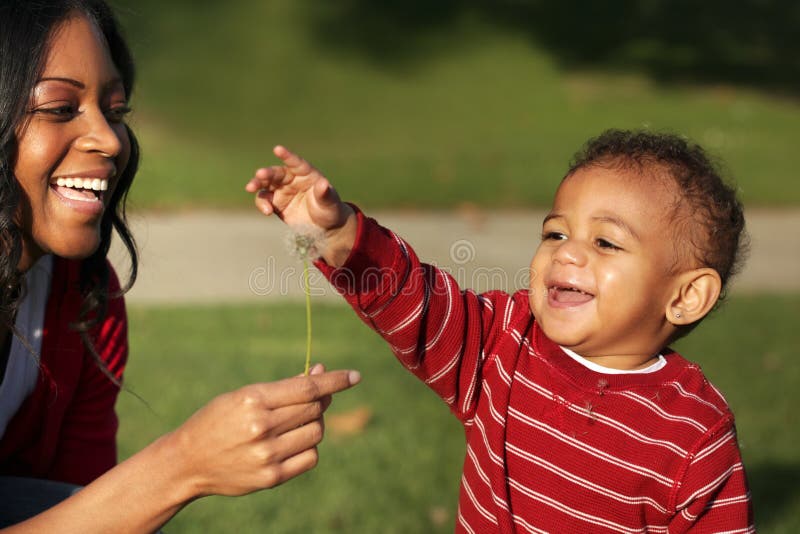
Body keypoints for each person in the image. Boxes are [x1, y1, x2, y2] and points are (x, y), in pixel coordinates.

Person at [245, 131, 755, 532]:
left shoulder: (692, 434)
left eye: (606, 242)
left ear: (686, 297)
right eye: (555, 232)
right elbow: (411, 300)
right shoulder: (502, 344)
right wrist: (337, 233)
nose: (567, 252)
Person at [0, 1, 360, 531]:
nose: (108, 139)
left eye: (116, 110)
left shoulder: (88, 302)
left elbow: (83, 509)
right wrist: (182, 465)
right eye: (59, 107)